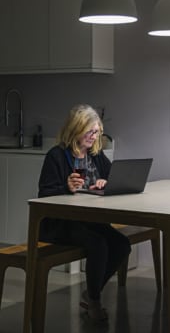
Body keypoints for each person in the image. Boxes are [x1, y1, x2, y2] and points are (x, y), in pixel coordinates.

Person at [37, 104, 131, 323]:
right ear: (76, 129)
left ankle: (90, 293)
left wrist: (105, 182)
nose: (94, 136)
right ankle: (95, 301)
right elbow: (44, 194)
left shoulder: (96, 156)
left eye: (97, 132)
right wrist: (65, 187)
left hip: (89, 220)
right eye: (90, 131)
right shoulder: (57, 155)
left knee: (122, 245)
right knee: (98, 244)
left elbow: (113, 179)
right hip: (62, 224)